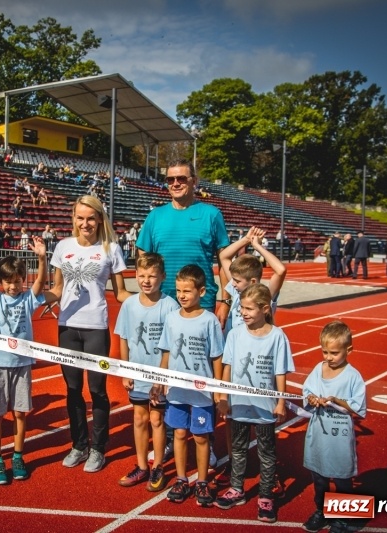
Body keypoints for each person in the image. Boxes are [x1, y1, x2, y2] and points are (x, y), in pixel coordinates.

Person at [136, 158, 229, 470]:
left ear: (194, 181)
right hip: (164, 307)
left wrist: (224, 302)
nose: (175, 183)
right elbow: (143, 260)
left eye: (181, 179)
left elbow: (224, 260)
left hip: (202, 308)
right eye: (170, 179)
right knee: (164, 377)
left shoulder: (211, 214)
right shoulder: (155, 217)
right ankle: (164, 444)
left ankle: (208, 441)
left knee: (203, 377)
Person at [47, 195, 132, 473]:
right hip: (67, 327)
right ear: (74, 218)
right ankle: (78, 444)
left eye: (91, 218)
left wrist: (152, 302)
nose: (85, 223)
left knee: (97, 390)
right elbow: (57, 290)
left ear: (99, 219)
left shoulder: (111, 249)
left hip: (96, 328)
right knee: (72, 391)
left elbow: (120, 293)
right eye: (80, 218)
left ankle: (98, 448)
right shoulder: (62, 247)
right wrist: (30, 297)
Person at [216, 283, 294, 523]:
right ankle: (237, 489)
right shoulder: (235, 334)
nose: (243, 313)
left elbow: (280, 372)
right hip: (239, 405)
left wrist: (280, 402)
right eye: (241, 308)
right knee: (237, 450)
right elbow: (227, 366)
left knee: (267, 453)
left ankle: (265, 496)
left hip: (264, 408)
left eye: (249, 308)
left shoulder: (277, 336)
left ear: (265, 309)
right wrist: (223, 397)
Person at [150, 265, 224, 506]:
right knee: (179, 434)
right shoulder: (171, 319)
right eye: (179, 290)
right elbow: (167, 352)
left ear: (201, 291)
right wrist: (159, 380)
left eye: (187, 291)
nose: (181, 295)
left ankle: (202, 482)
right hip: (176, 390)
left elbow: (217, 357)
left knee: (201, 437)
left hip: (202, 392)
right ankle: (182, 479)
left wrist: (218, 388)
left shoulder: (210, 320)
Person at [0, 234, 48, 485]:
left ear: (24, 280)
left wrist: (42, 258)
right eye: (8, 282)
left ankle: (18, 455)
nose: (13, 286)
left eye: (18, 281)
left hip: (22, 364)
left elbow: (41, 282)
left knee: (20, 413)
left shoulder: (28, 299)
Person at [115, 253, 180, 492]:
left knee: (157, 419)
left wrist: (162, 377)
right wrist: (126, 370)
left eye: (152, 276)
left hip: (159, 376)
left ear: (162, 277)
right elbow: (123, 338)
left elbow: (171, 345)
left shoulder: (169, 305)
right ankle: (142, 465)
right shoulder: (129, 304)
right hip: (137, 374)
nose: (146, 280)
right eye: (141, 275)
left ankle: (158, 466)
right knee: (140, 418)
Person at [301, 321, 366, 533]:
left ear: (349, 350)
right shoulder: (318, 369)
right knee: (319, 477)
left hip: (339, 436)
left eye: (334, 353)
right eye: (325, 351)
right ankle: (321, 511)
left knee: (341, 478)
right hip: (318, 433)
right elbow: (306, 391)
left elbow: (357, 408)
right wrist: (311, 398)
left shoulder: (353, 376)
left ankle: (342, 518)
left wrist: (337, 401)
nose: (328, 357)